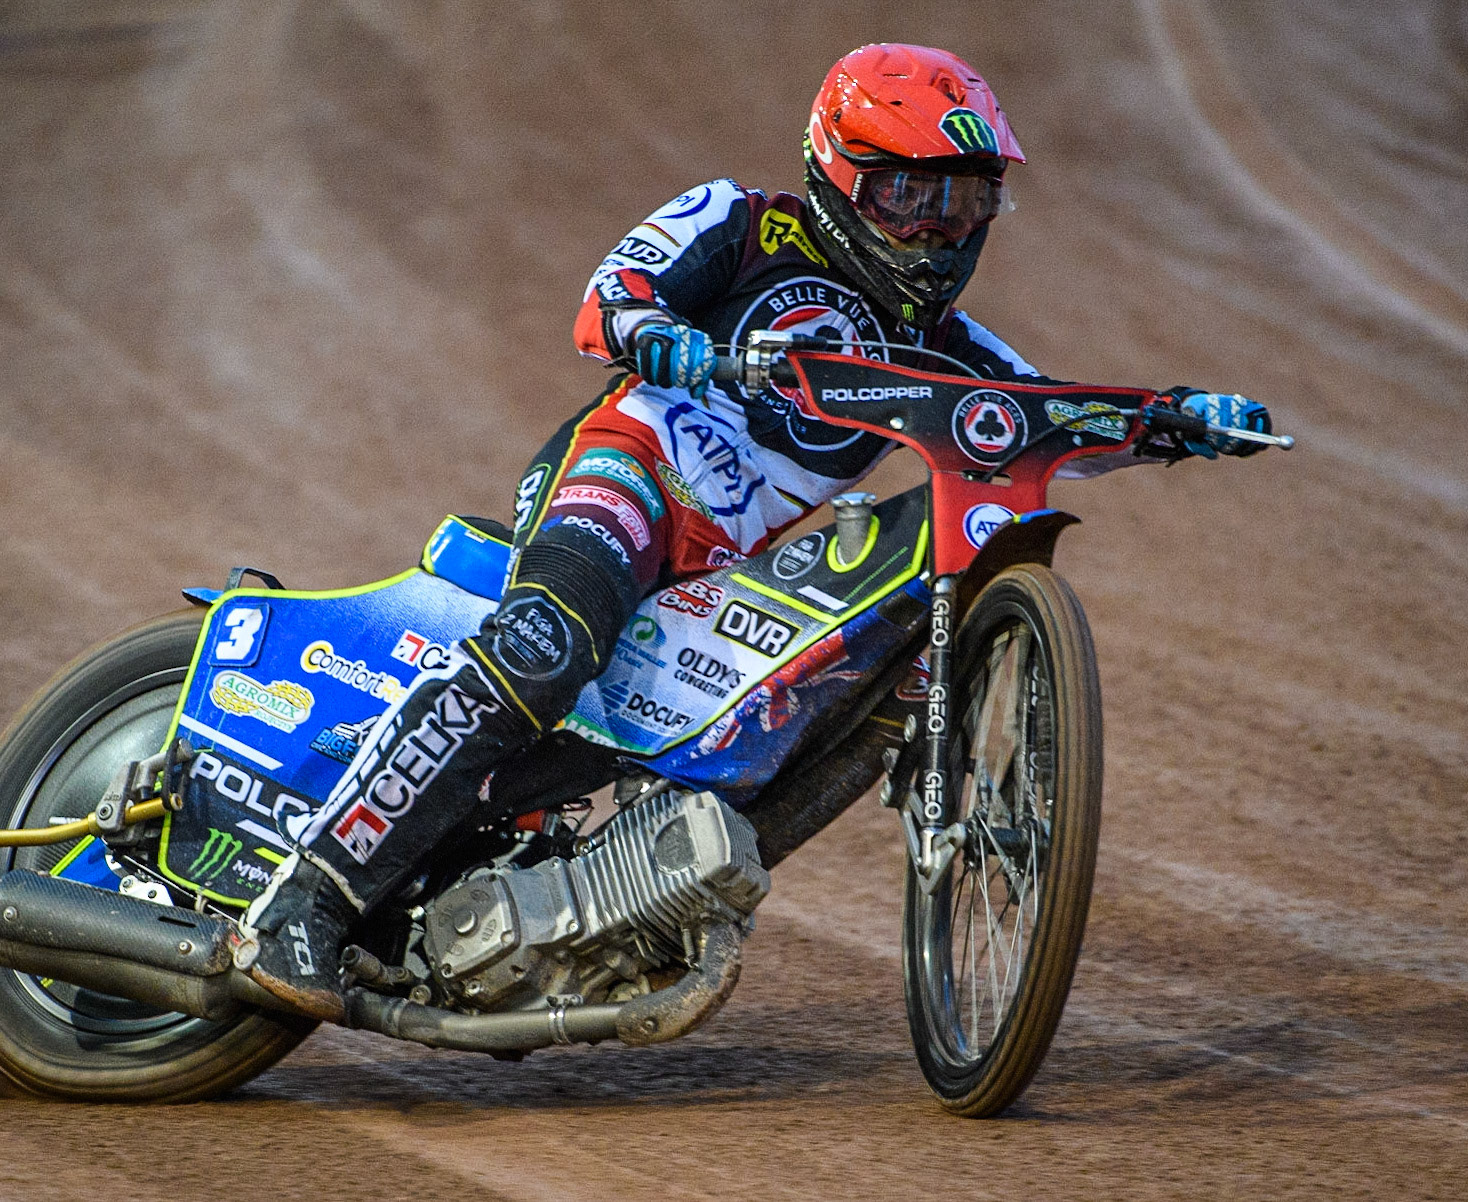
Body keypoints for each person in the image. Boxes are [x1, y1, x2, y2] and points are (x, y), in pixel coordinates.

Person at [238, 42, 1272, 1021]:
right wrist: (676, 346)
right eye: (904, 193)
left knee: (762, 737)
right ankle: (306, 903)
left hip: (723, 571)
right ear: (837, 170)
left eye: (959, 200)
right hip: (626, 472)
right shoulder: (740, 222)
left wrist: (1174, 420)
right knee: (552, 643)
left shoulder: (945, 345)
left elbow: (1045, 414)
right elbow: (607, 301)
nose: (930, 229)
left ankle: (584, 902)